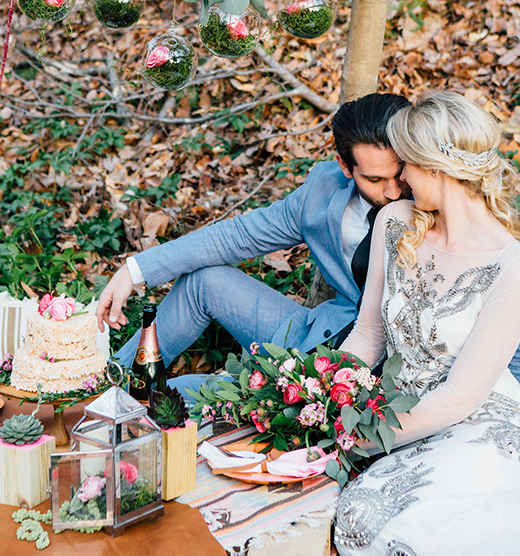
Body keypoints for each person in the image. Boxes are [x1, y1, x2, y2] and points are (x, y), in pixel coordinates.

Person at [335, 90, 520, 556]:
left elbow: (463, 394)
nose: (400, 178)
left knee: (385, 527)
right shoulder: (395, 221)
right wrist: (327, 394)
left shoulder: (509, 264)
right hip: (394, 405)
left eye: (408, 165)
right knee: (344, 511)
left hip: (479, 422)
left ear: (435, 169)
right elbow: (368, 334)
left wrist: (363, 436)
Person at [97, 93, 411, 372]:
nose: (393, 191)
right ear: (345, 166)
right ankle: (105, 385)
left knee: (182, 402)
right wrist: (134, 271)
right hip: (322, 340)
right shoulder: (322, 192)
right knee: (203, 282)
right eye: (373, 179)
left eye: (398, 173)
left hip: (394, 366)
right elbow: (237, 236)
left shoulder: (430, 194)